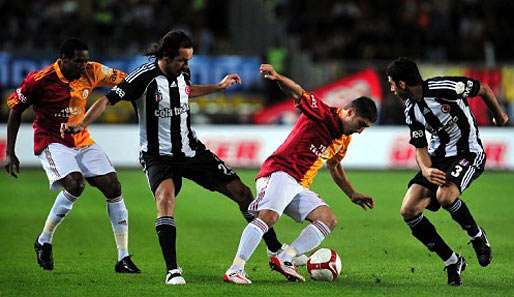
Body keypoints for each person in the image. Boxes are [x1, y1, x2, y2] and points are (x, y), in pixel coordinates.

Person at [62, 30, 285, 285]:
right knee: (165, 200)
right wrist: (81, 123)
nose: (186, 65)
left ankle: (275, 249)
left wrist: (219, 87)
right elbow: (106, 100)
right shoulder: (143, 78)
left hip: (191, 150)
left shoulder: (182, 73)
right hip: (159, 157)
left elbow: (187, 90)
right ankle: (173, 270)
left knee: (243, 193)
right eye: (182, 60)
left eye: (188, 60)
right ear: (166, 57)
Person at [223, 64, 377, 284]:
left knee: (327, 219)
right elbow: (298, 91)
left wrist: (352, 194)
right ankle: (235, 269)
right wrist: (277, 77)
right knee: (268, 217)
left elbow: (335, 167)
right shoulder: (322, 113)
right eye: (361, 124)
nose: (360, 131)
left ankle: (284, 258)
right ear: (349, 112)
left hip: (298, 185)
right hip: (279, 172)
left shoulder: (344, 139)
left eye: (366, 128)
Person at [5, 38, 140, 273]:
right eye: (78, 61)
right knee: (75, 184)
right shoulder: (39, 80)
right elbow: (16, 111)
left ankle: (123, 257)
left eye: (86, 60)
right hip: (52, 141)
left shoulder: (93, 70)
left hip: (82, 139)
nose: (83, 65)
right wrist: (10, 152)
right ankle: (44, 240)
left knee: (113, 186)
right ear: (63, 59)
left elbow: (126, 80)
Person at [386, 57, 511, 286]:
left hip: (468, 151)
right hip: (437, 157)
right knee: (408, 210)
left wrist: (499, 114)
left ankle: (477, 237)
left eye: (392, 83)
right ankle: (452, 261)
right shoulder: (411, 110)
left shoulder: (444, 88)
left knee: (445, 196)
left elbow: (483, 88)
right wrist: (425, 169)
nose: (391, 88)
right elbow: (420, 147)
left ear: (402, 84)